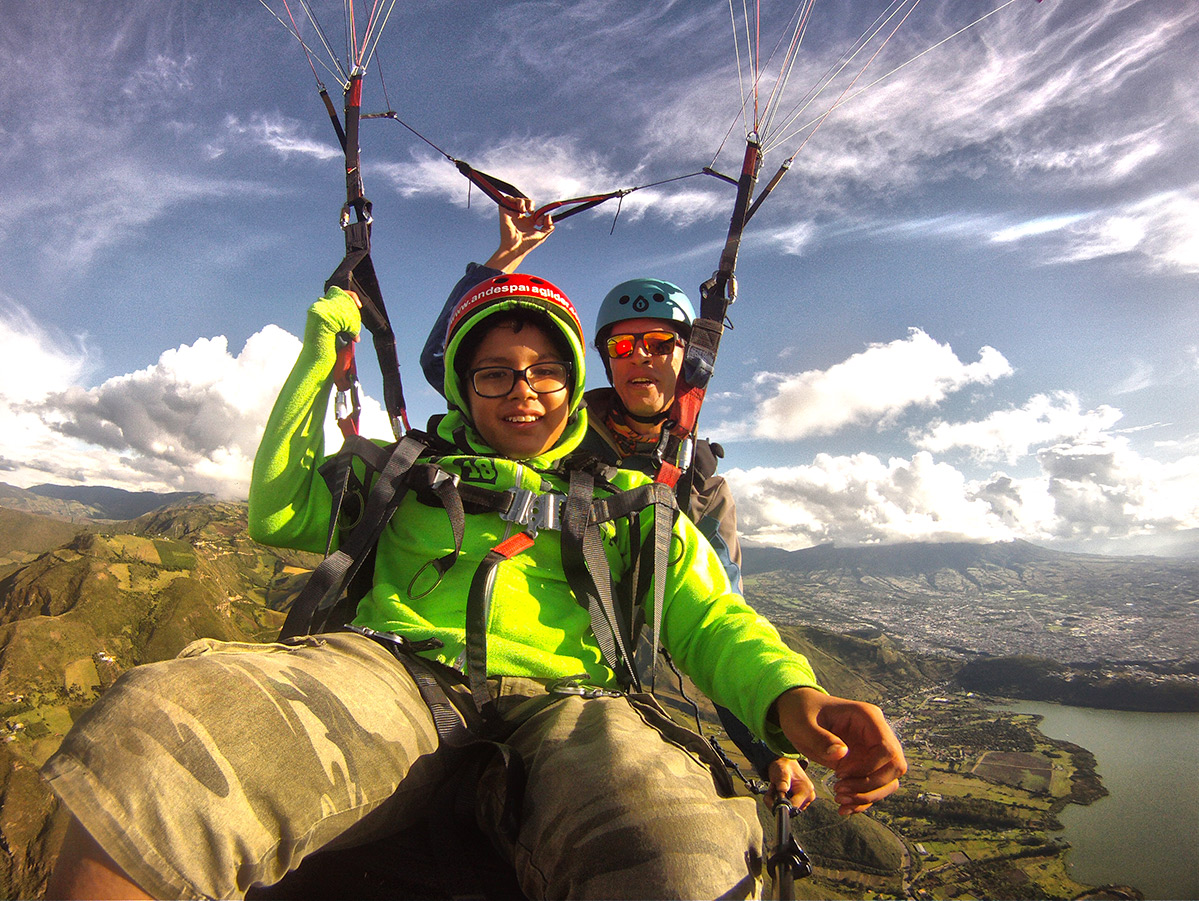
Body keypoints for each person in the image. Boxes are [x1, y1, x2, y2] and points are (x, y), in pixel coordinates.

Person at [42, 270, 905, 901]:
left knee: (689, 854)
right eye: (494, 371)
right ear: (463, 383)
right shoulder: (405, 471)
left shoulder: (634, 504)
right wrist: (318, 357)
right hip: (392, 674)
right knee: (164, 731)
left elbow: (708, 618)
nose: (521, 389)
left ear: (571, 383)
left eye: (542, 369)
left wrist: (793, 697)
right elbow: (278, 511)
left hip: (574, 704)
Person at [421, 202, 812, 806]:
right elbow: (450, 362)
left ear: (689, 358)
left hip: (599, 676)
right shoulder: (562, 420)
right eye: (623, 345)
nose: (640, 356)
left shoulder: (700, 487)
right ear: (602, 360)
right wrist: (505, 262)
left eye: (657, 342)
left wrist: (771, 744)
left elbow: (716, 614)